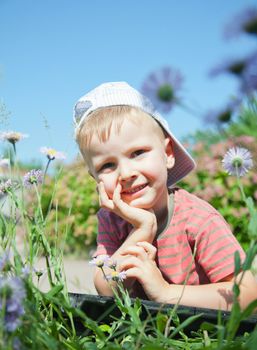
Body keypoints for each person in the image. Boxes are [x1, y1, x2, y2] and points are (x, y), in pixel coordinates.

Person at [73, 81, 257, 311]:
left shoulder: (196, 219)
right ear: (95, 178)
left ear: (168, 154)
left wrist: (167, 293)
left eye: (138, 153)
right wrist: (142, 230)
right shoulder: (111, 219)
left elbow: (249, 294)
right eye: (107, 165)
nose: (127, 173)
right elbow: (107, 290)